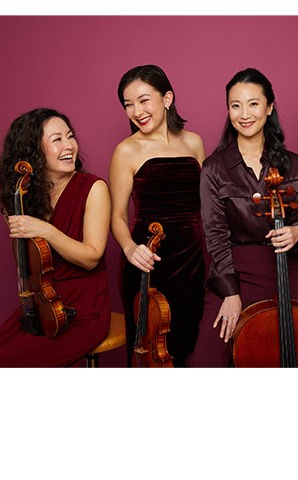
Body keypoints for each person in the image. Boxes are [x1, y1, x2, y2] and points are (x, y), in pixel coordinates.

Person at [191, 67, 298, 368]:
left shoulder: (292, 164)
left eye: (253, 103)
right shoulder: (214, 169)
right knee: (208, 362)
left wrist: (297, 231)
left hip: (287, 267)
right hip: (234, 270)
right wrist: (231, 293)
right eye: (236, 105)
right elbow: (215, 234)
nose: (244, 113)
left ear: (270, 107)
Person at [0, 108, 112, 367]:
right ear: (33, 151)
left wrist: (45, 229)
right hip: (40, 304)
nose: (69, 145)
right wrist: (14, 206)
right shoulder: (22, 197)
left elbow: (92, 257)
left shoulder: (94, 188)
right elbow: (25, 260)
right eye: (57, 139)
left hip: (83, 308)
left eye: (70, 136)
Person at [109, 64, 206, 367]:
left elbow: (209, 204)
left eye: (143, 100)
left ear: (166, 98)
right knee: (149, 351)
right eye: (128, 104)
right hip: (148, 260)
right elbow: (117, 216)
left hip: (192, 262)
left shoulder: (194, 142)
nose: (136, 111)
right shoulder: (126, 150)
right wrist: (129, 248)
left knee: (188, 345)